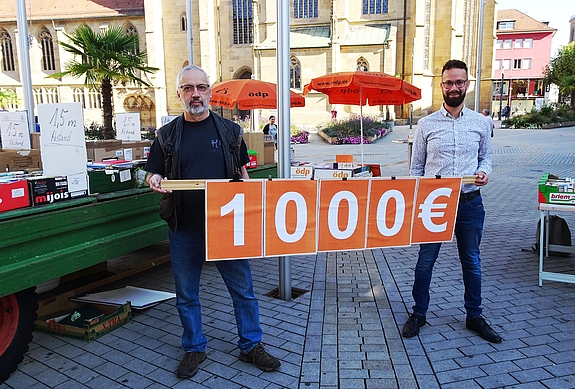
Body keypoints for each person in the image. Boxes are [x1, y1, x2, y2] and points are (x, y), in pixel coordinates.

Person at [145, 65, 281, 379]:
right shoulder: (166, 135)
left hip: (226, 226)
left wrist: (252, 200)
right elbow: (155, 171)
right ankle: (194, 347)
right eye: (189, 88)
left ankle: (251, 345)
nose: (196, 94)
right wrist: (154, 179)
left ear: (210, 92)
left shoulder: (231, 132)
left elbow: (243, 175)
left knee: (243, 290)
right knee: (187, 294)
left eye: (201, 87)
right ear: (179, 93)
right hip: (184, 228)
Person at [403, 59, 501, 344]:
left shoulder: (481, 123)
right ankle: (419, 313)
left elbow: (486, 158)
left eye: (459, 82)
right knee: (425, 262)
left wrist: (484, 171)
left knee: (471, 261)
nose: (454, 87)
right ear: (442, 85)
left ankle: (475, 316)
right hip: (434, 203)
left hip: (470, 202)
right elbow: (416, 167)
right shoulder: (426, 124)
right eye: (449, 82)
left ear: (467, 85)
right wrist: (417, 199)